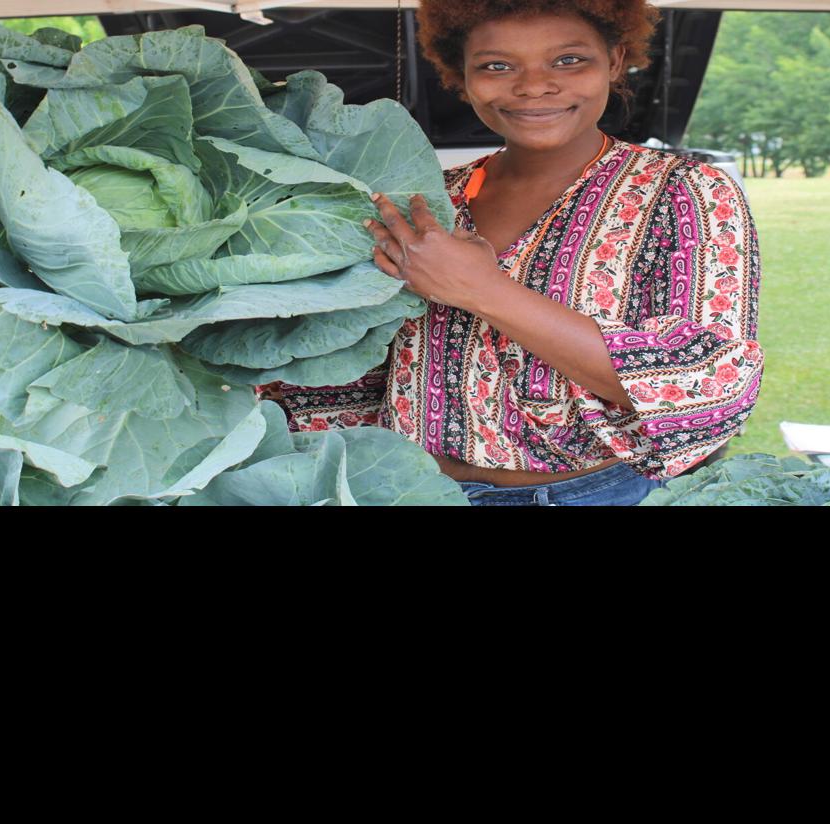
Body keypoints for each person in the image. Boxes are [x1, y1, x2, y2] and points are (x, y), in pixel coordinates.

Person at [262, 0, 762, 506]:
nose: (533, 86)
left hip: (586, 496)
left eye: (568, 60)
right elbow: (357, 363)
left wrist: (482, 289)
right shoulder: (427, 200)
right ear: (461, 74)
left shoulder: (684, 192)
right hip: (407, 488)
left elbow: (707, 382)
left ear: (614, 61)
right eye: (497, 65)